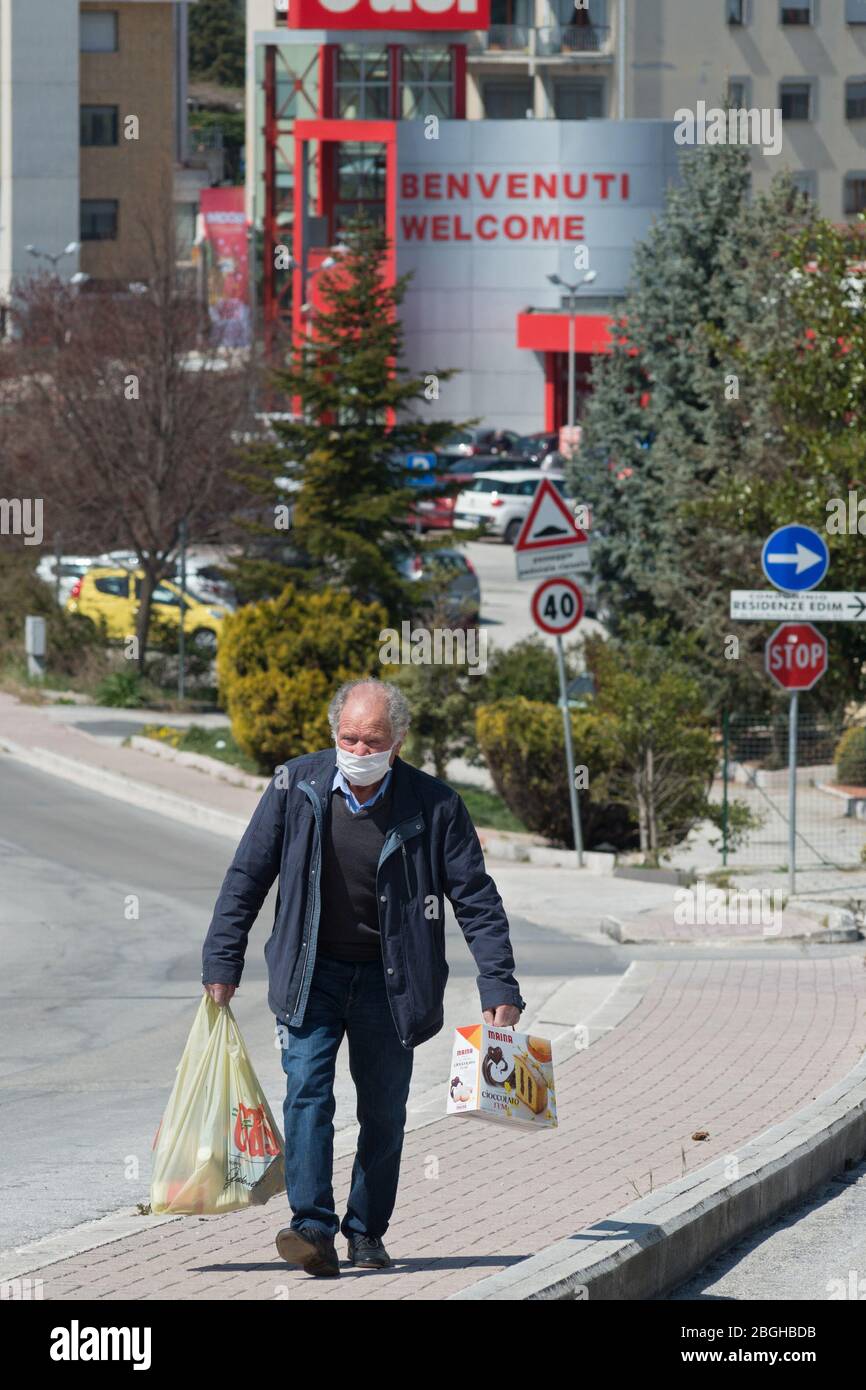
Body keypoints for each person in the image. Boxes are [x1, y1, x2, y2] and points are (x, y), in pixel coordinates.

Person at [201, 678, 526, 1279]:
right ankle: (312, 1228)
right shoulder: (294, 786)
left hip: (392, 983)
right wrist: (223, 959)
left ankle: (367, 1231)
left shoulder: (435, 806)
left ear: (397, 741)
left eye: (371, 739)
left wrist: (498, 984)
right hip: (310, 974)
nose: (358, 748)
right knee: (306, 1093)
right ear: (333, 734)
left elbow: (476, 899)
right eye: (348, 736)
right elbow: (247, 873)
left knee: (384, 1110)